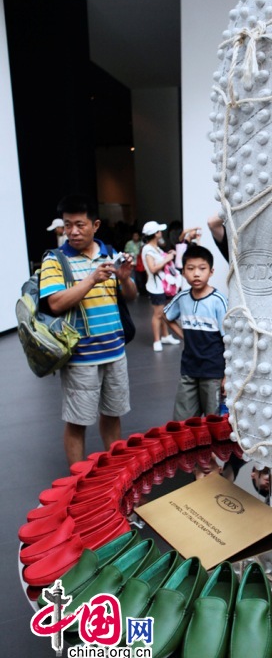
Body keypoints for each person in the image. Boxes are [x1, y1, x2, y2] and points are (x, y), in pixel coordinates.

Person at [39, 194, 137, 466]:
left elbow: (130, 297)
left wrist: (126, 280)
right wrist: (92, 279)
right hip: (80, 356)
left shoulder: (111, 254)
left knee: (112, 415)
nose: (72, 231)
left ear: (95, 225)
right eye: (67, 225)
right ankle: (78, 480)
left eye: (79, 224)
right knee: (77, 421)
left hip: (115, 351)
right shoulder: (55, 260)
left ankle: (115, 473)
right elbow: (55, 303)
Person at [164, 245, 227, 420]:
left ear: (211, 271)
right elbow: (166, 316)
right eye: (190, 269)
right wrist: (184, 335)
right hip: (189, 369)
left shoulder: (218, 301)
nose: (196, 274)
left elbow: (228, 340)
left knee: (213, 420)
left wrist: (227, 375)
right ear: (183, 272)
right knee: (183, 422)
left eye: (202, 268)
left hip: (214, 372)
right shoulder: (182, 298)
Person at [141, 220, 181, 352]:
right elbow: (152, 269)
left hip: (161, 286)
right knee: (158, 314)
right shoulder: (148, 249)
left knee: (163, 312)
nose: (161, 233)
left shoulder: (155, 248)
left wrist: (168, 255)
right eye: (159, 231)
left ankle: (165, 336)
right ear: (155, 234)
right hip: (155, 287)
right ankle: (157, 340)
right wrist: (167, 259)